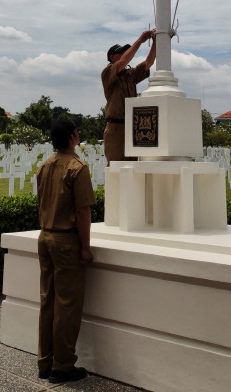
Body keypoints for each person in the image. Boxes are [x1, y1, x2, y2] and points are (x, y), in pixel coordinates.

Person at [36, 118, 95, 383]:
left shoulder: (45, 165)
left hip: (45, 237)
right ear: (73, 137)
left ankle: (45, 360)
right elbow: (83, 211)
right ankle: (63, 365)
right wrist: (85, 247)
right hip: (65, 242)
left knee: (48, 300)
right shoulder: (76, 168)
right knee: (67, 305)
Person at [101, 29, 156, 162]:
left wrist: (156, 41)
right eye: (120, 53)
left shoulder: (129, 74)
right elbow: (123, 62)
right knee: (116, 167)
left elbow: (149, 62)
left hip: (132, 126)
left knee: (132, 166)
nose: (124, 54)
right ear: (112, 57)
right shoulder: (108, 72)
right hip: (116, 128)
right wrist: (140, 41)